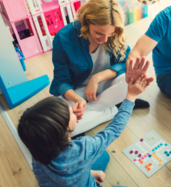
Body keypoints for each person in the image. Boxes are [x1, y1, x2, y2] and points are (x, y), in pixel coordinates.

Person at [18, 74, 151, 187]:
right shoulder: (84, 148)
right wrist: (131, 96)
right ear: (66, 129)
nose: (71, 109)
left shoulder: (38, 150)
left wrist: (90, 173)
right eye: (69, 111)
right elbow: (115, 128)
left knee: (103, 156)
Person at [49, 0, 153, 137]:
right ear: (86, 22)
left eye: (109, 34)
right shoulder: (64, 38)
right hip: (77, 91)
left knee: (128, 81)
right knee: (54, 127)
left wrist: (97, 78)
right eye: (98, 33)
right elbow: (61, 81)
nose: (104, 39)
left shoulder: (115, 33)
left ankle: (98, 112)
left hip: (105, 86)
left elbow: (124, 63)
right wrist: (78, 100)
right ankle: (116, 108)